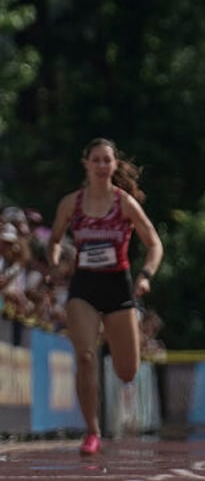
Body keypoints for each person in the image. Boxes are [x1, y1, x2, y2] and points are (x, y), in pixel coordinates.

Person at [47, 138, 163, 456]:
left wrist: (145, 276)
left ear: (114, 165)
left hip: (118, 287)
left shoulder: (124, 203)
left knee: (127, 372)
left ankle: (128, 348)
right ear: (85, 164)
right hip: (83, 287)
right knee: (85, 357)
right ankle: (92, 431)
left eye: (106, 160)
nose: (101, 166)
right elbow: (55, 240)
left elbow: (154, 243)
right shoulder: (71, 203)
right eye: (95, 160)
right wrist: (55, 262)